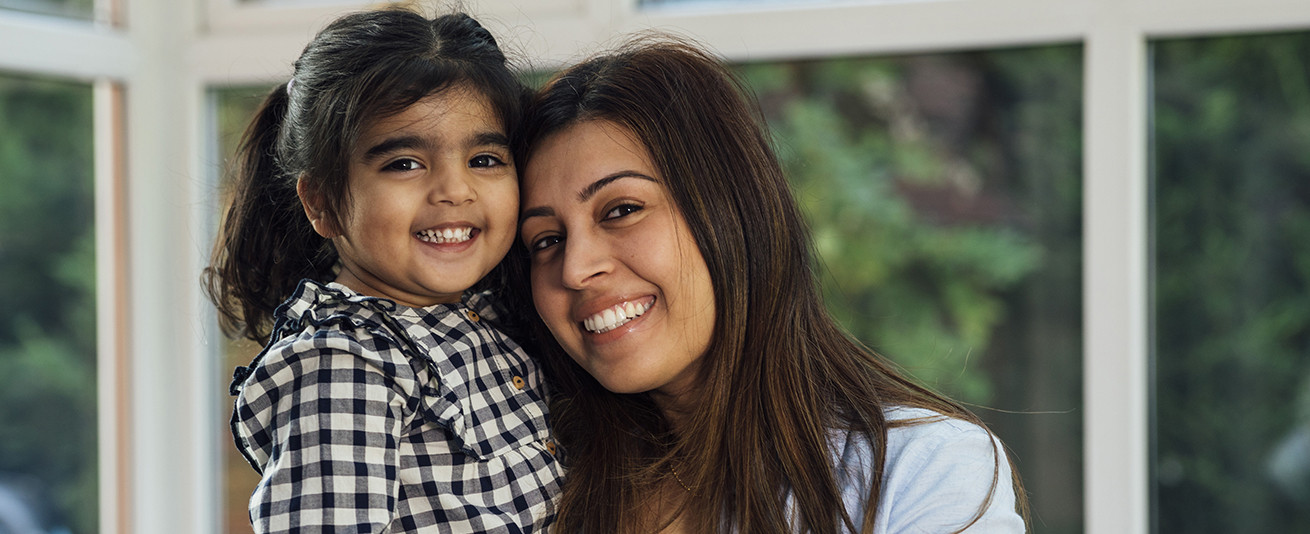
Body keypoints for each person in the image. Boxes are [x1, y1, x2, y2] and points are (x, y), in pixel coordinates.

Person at [512, 38, 1029, 533]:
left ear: (732, 212)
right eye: (546, 240)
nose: (575, 268)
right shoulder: (534, 484)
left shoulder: (923, 470)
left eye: (622, 210)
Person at [202, 8, 561, 533]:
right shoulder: (342, 363)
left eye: (484, 159)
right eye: (404, 164)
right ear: (321, 202)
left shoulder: (498, 317)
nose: (455, 190)